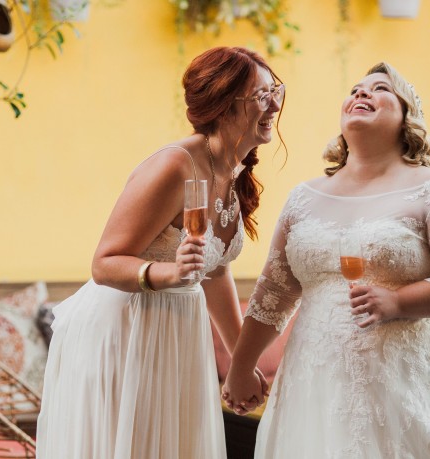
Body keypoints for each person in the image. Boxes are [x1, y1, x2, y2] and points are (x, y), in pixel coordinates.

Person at [223, 62, 430, 457]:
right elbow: (274, 293)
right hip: (315, 385)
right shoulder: (304, 198)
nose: (361, 93)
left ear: (408, 117)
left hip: (408, 384)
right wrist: (240, 368)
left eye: (380, 89)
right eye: (356, 89)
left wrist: (398, 302)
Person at [36, 46, 284, 459]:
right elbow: (105, 262)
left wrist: (242, 364)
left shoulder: (231, 171)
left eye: (275, 90)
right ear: (224, 107)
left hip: (176, 332)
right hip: (125, 334)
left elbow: (216, 271)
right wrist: (168, 275)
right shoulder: (175, 166)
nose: (274, 103)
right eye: (260, 95)